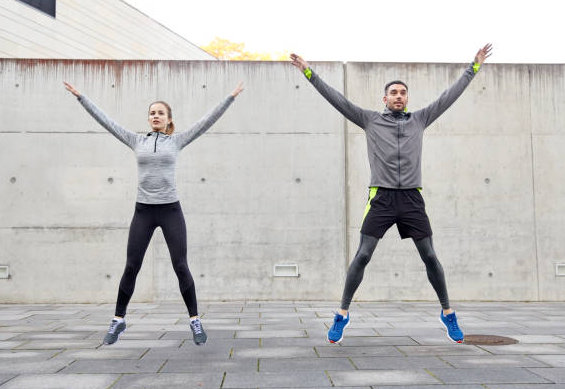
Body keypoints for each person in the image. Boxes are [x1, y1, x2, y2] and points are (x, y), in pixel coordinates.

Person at [290, 44, 492, 344]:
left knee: (431, 256)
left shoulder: (420, 119)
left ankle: (448, 313)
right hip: (381, 198)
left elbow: (449, 97)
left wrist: (473, 68)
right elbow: (337, 99)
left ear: (406, 98)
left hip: (411, 198)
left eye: (403, 93)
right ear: (385, 98)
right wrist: (309, 72)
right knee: (363, 255)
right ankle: (342, 314)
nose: (399, 96)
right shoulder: (371, 120)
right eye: (393, 93)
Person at [64, 80, 244, 345]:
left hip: (170, 210)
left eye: (160, 112)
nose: (155, 116)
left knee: (180, 265)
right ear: (148, 119)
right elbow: (107, 121)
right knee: (131, 266)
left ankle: (195, 320)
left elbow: (206, 121)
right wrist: (81, 97)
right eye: (152, 113)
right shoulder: (136, 140)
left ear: (169, 119)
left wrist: (230, 97)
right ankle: (118, 320)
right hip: (143, 211)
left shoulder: (177, 141)